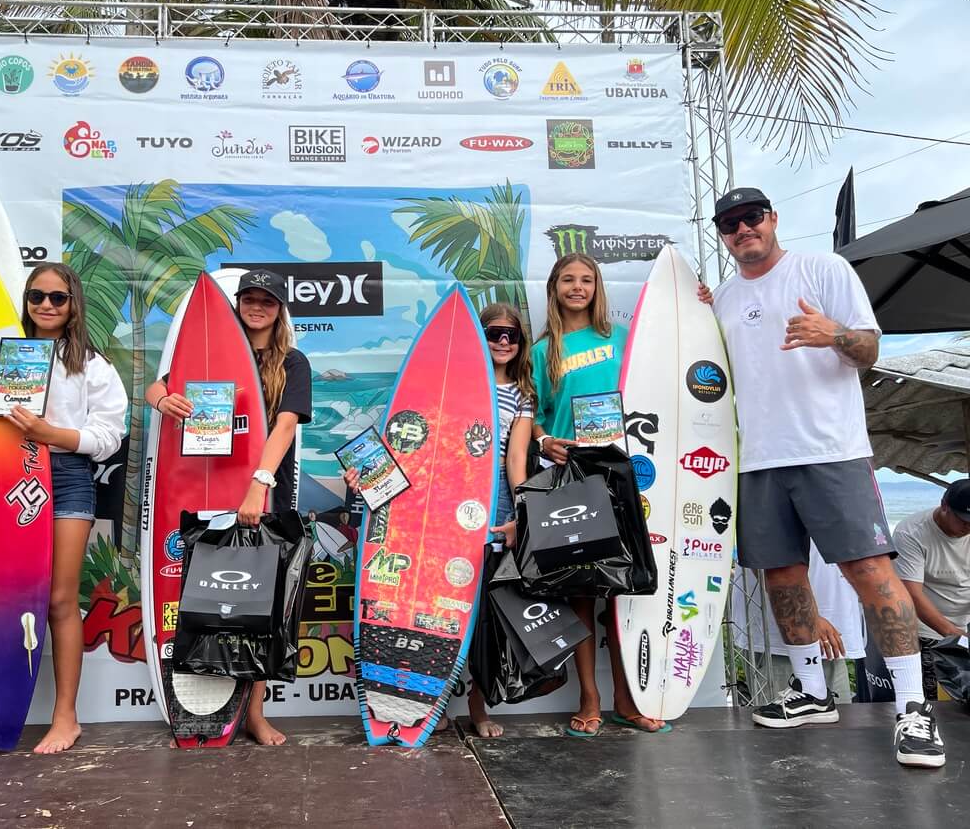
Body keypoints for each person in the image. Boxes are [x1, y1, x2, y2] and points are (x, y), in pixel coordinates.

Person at [701, 186, 946, 768]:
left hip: (829, 450)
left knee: (868, 570)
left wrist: (831, 334)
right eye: (730, 222)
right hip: (758, 458)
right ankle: (813, 693)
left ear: (773, 218)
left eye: (752, 217)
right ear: (723, 233)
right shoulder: (727, 299)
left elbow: (869, 348)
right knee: (782, 577)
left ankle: (913, 708)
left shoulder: (824, 269)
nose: (742, 229)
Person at [341, 301, 539, 737]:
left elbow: (517, 461)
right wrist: (365, 475)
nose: (503, 342)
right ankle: (432, 703)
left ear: (521, 343)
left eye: (512, 335)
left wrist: (521, 517)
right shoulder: (443, 383)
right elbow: (409, 441)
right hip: (430, 508)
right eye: (494, 333)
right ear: (478, 337)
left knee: (479, 611)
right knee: (426, 604)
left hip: (489, 506)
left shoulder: (522, 395)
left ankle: (479, 706)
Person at [148, 269, 312, 746]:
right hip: (205, 491)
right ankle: (206, 705)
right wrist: (165, 401)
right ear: (238, 303)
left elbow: (284, 428)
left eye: (268, 299)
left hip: (261, 493)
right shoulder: (209, 353)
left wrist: (258, 485)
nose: (257, 306)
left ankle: (255, 714)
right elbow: (155, 388)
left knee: (259, 609)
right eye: (250, 298)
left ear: (280, 309)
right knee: (211, 602)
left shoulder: (293, 363)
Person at [530, 253, 667, 736]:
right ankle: (590, 696)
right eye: (568, 279)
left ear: (597, 287)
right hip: (572, 476)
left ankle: (628, 699)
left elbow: (660, 386)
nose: (578, 287)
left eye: (587, 279)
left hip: (624, 474)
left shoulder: (621, 339)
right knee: (583, 591)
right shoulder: (543, 351)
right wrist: (546, 441)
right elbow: (537, 417)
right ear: (554, 287)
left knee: (624, 592)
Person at [3, 263, 127, 755]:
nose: (47, 306)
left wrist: (50, 435)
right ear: (26, 301)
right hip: (7, 473)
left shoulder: (94, 365)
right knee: (6, 595)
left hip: (68, 475)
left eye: (58, 297)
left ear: (74, 303)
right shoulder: (4, 355)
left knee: (59, 598)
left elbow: (109, 435)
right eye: (37, 296)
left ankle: (66, 717)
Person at [731, 542, 865, 704]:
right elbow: (762, 551)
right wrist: (809, 619)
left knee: (839, 722)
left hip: (833, 636)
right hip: (782, 641)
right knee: (788, 723)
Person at [892, 478, 970, 700]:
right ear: (944, 505)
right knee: (932, 701)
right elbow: (912, 594)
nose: (968, 527)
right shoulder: (911, 532)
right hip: (925, 630)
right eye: (964, 520)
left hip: (964, 624)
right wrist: (954, 635)